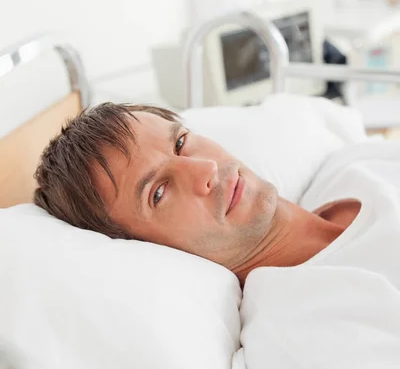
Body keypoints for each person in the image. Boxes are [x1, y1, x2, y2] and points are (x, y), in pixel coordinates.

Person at [34, 102, 400, 288]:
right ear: (141, 247)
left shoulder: (353, 165)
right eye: (158, 193)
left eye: (180, 143)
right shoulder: (308, 323)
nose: (205, 169)